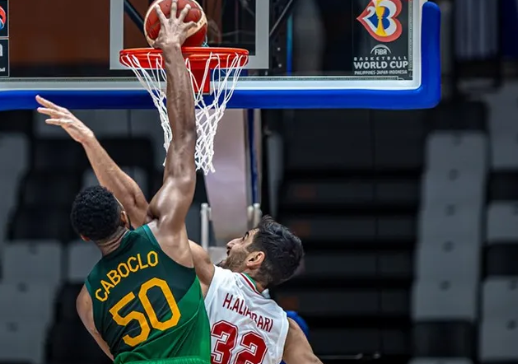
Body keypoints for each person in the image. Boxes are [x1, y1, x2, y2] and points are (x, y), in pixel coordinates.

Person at [37, 102, 320, 363]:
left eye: (244, 239)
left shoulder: (210, 276)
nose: (232, 242)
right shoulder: (286, 328)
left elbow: (136, 207)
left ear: (255, 259)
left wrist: (88, 141)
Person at [45, 0, 211, 364]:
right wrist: (172, 51)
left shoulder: (86, 301)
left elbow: (114, 354)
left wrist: (89, 141)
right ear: (122, 217)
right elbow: (184, 138)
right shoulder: (165, 235)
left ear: (85, 237)